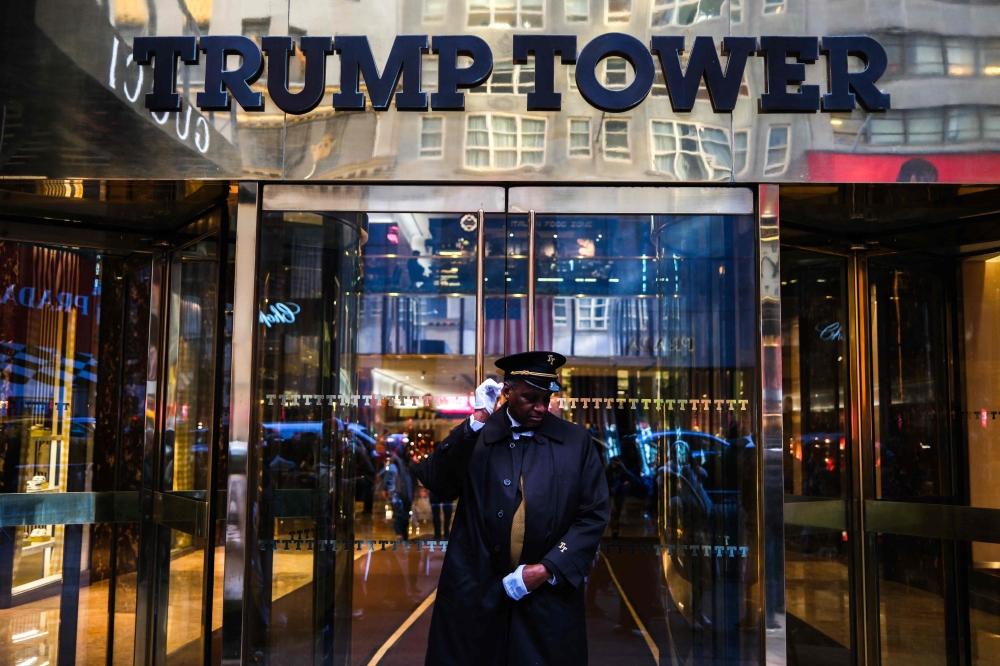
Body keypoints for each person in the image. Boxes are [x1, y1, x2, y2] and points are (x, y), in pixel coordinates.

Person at [417, 351, 610, 665]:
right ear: (507, 392)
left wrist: (548, 568)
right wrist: (477, 419)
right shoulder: (476, 435)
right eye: (530, 398)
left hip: (546, 596)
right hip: (475, 593)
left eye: (546, 398)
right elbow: (436, 481)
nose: (540, 407)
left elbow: (593, 514)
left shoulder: (574, 441)